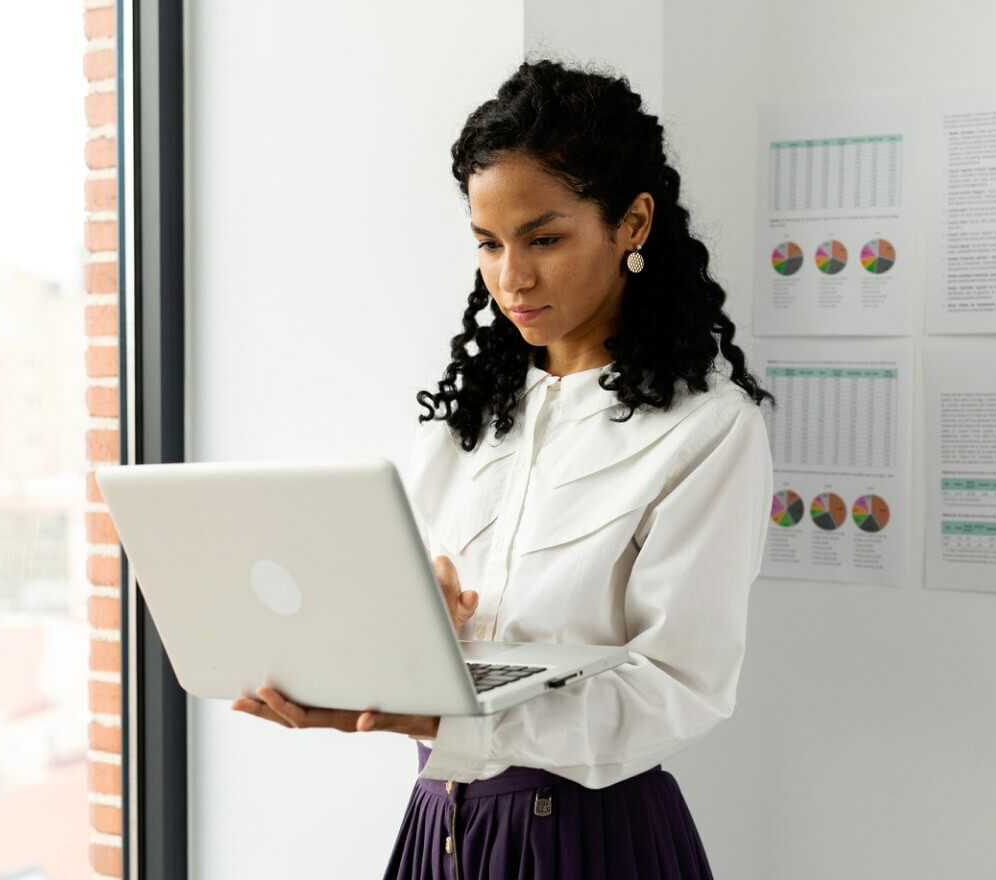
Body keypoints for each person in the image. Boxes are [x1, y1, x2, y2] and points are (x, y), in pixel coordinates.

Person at [231, 59, 774, 879]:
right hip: (437, 828)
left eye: (544, 239)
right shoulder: (467, 422)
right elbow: (427, 637)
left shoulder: (705, 430)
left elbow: (675, 691)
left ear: (632, 222)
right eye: (488, 243)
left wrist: (443, 716)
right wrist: (410, 632)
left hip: (592, 841)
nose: (511, 278)